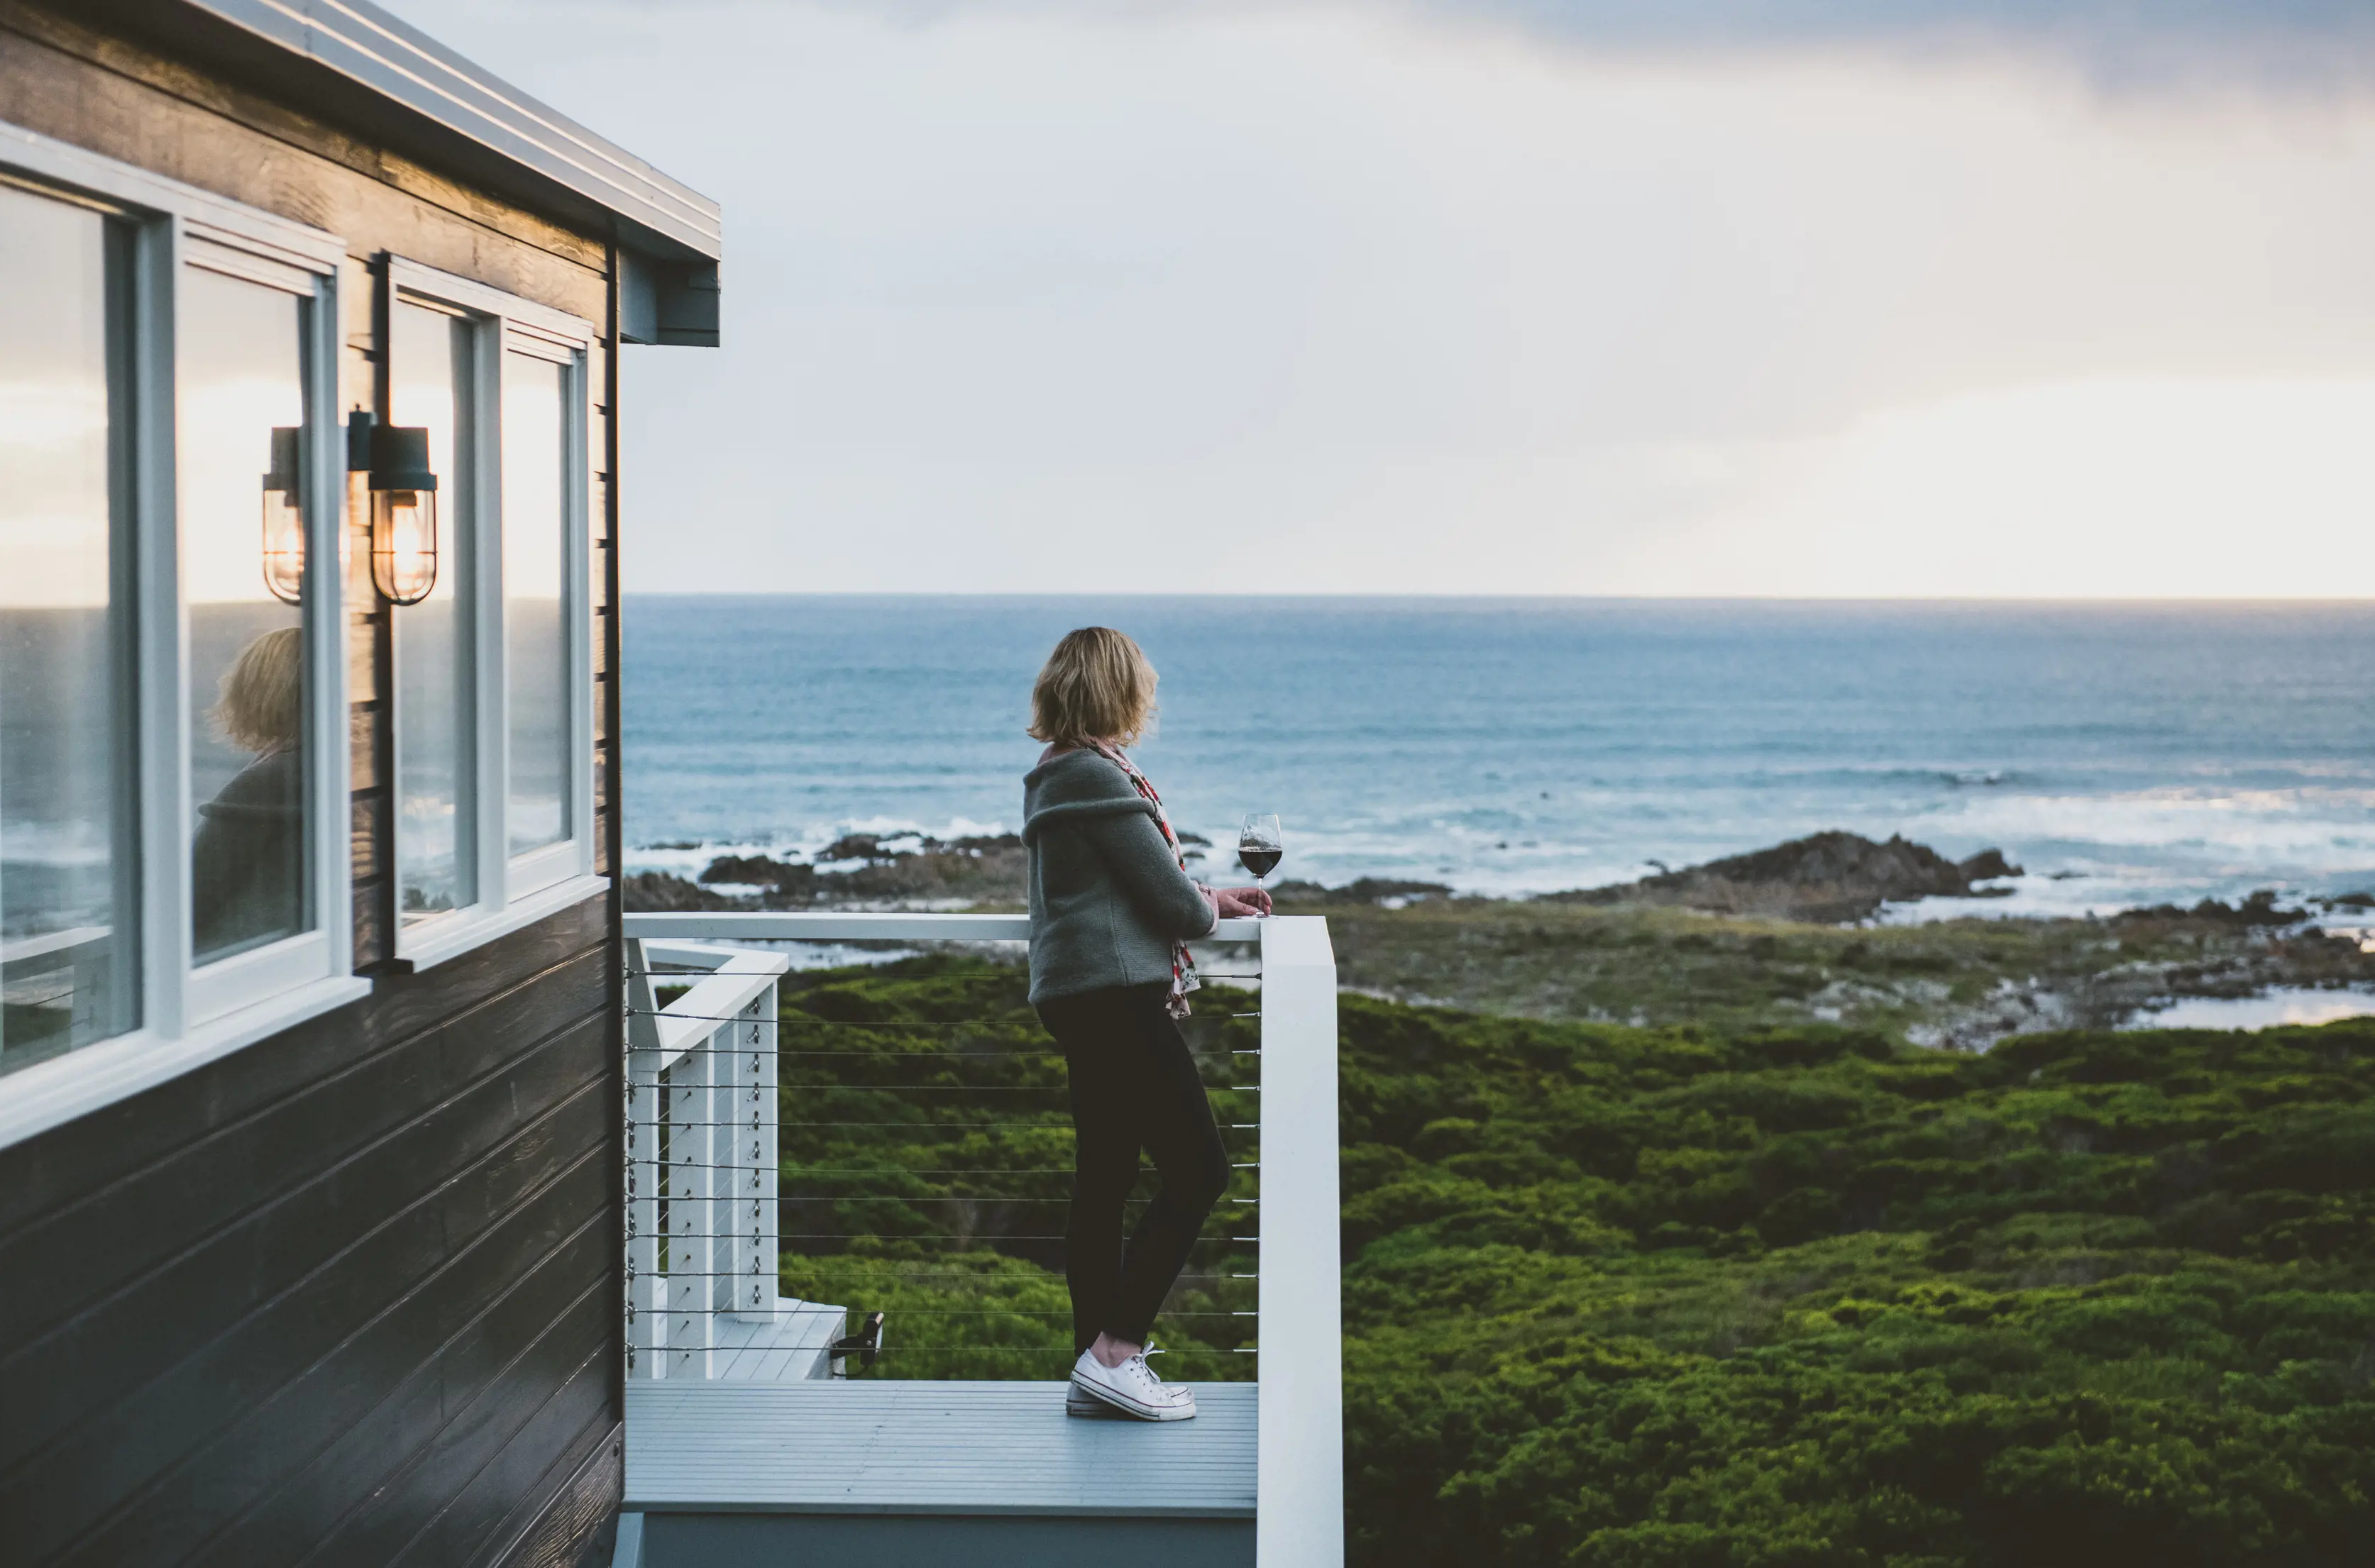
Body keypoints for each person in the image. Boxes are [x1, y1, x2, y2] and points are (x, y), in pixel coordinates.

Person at [1020, 626, 1270, 1422]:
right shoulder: (1095, 775)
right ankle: (1114, 1352)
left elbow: (1131, 884)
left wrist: (1212, 898)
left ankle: (1095, 1371)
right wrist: (1200, 906)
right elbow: (1166, 904)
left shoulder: (1060, 773)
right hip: (1114, 996)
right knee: (1200, 1169)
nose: (1147, 700)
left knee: (1106, 1180)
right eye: (1141, 687)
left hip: (1082, 995)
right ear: (1115, 690)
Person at [192, 625, 305, 960]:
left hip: (243, 973)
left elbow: (189, 896)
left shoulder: (275, 779)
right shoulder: (329, 766)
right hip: (285, 961)